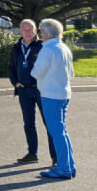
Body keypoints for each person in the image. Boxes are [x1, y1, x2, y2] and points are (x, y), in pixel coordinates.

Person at [31, 18, 76, 179]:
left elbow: (36, 73)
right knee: (61, 131)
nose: (40, 33)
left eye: (41, 30)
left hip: (51, 95)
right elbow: (71, 73)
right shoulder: (64, 48)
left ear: (46, 33)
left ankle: (63, 168)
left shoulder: (47, 49)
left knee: (57, 132)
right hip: (64, 93)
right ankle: (69, 166)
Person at [7, 19, 55, 165]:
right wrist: (15, 82)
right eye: (24, 30)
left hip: (41, 91)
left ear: (36, 31)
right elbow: (11, 67)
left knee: (49, 124)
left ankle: (56, 158)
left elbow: (50, 67)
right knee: (29, 123)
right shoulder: (16, 48)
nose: (27, 32)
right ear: (20, 31)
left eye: (30, 29)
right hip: (24, 91)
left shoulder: (43, 46)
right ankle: (32, 153)